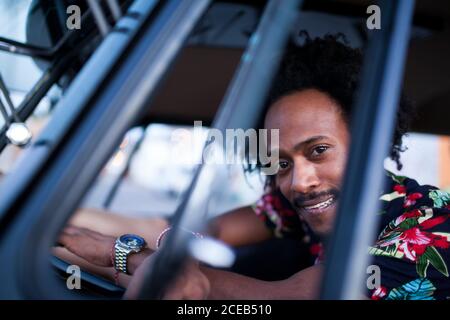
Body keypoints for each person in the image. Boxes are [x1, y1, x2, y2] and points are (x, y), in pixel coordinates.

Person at [58, 34, 450, 300]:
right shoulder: (302, 204)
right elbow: (212, 230)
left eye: (318, 151)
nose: (300, 182)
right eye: (281, 162)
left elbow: (287, 297)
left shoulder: (428, 229)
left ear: (369, 143)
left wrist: (122, 254)